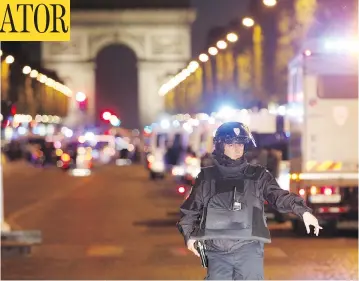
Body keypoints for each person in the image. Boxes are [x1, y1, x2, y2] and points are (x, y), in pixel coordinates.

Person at [177, 122, 322, 280]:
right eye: (231, 144)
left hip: (249, 249)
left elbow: (278, 196)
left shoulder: (258, 175)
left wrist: (303, 211)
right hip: (216, 250)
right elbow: (190, 210)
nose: (237, 148)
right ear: (220, 146)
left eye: (240, 144)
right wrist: (189, 236)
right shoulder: (207, 177)